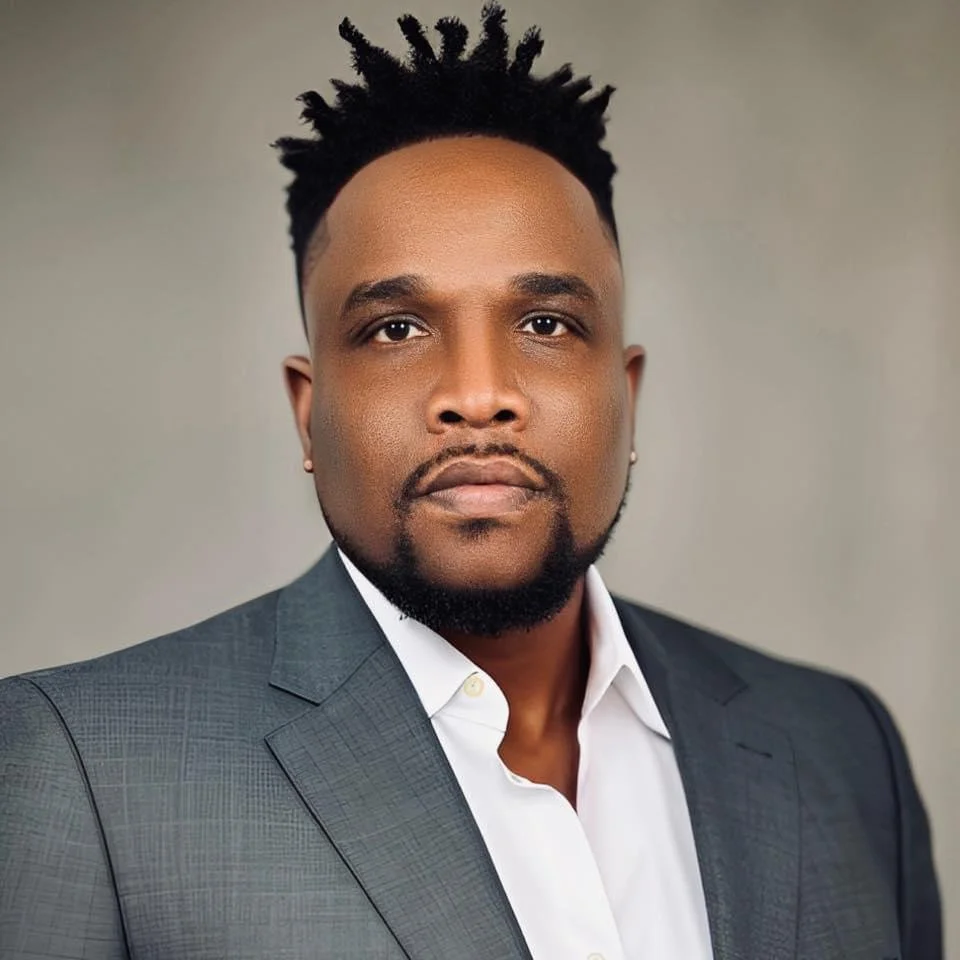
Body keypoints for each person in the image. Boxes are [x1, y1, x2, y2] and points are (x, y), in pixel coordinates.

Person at [0, 5, 942, 958]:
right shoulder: (81, 768)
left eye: (547, 324)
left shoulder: (838, 745)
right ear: (307, 412)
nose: (479, 394)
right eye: (396, 329)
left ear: (627, 395)